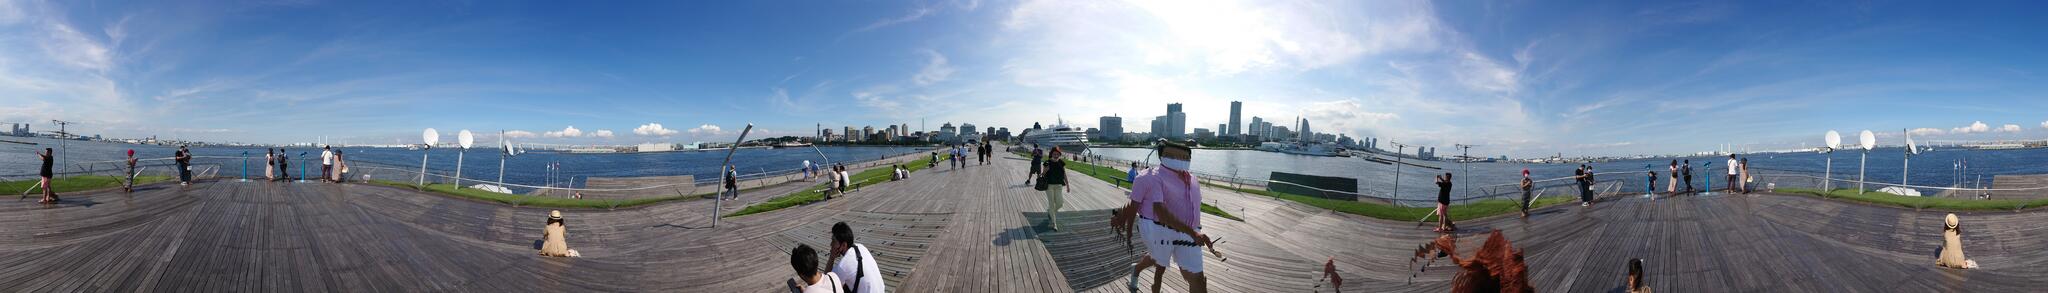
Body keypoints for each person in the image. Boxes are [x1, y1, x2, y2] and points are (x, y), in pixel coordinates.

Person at [1112, 140, 1216, 293]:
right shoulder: (1151, 177)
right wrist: (1129, 235)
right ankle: (1138, 270)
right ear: (1161, 156)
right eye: (1172, 155)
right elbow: (1154, 211)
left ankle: (1139, 270)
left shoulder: (1193, 180)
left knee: (1197, 278)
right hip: (1158, 229)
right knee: (1157, 259)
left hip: (1189, 231)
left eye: (1184, 156)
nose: (1178, 159)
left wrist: (1195, 230)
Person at [827, 222, 885, 293]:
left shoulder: (843, 266)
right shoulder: (860, 246)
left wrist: (831, 258)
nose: (831, 244)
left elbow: (826, 285)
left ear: (844, 245)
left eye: (833, 241)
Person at [1040, 147, 1072, 231]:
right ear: (1051, 154)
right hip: (1049, 186)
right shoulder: (1047, 162)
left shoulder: (1061, 162)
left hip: (1059, 186)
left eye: (1057, 154)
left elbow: (1064, 174)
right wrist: (1045, 171)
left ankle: (1050, 212)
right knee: (1051, 203)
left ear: (1059, 154)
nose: (1056, 155)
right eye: (1054, 154)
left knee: (1060, 203)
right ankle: (1054, 224)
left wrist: (1068, 185)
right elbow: (1042, 175)